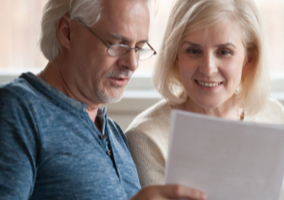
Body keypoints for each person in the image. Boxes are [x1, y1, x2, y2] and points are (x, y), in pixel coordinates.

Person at [126, 0, 284, 199]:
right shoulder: (147, 138)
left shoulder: (274, 117)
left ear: (248, 60)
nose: (208, 68)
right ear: (175, 56)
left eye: (224, 52)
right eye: (194, 50)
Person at [0, 0, 206, 199]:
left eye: (139, 48)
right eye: (117, 45)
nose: (132, 63)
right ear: (67, 33)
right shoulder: (16, 110)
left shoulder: (114, 134)